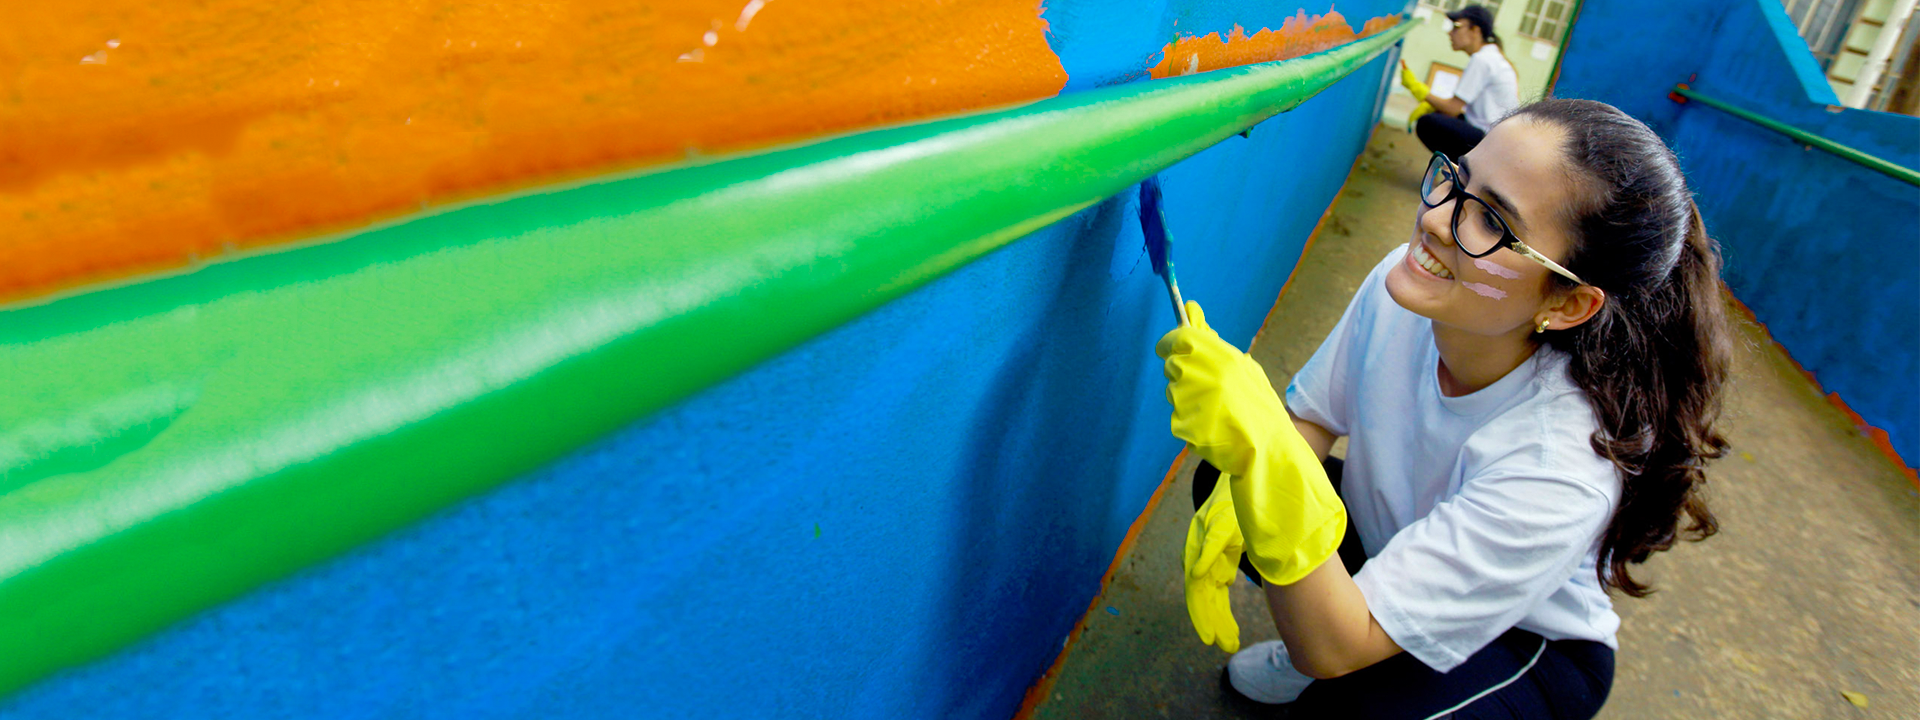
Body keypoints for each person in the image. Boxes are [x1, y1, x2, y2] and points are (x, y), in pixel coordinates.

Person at [1159, 98, 1732, 719]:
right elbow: (1316, 420)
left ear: (1567, 304)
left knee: (1346, 701)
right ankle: (1356, 642)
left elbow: (1333, 646)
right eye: (1455, 178)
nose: (1434, 219)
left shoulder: (1560, 465)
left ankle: (1359, 671)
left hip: (1525, 642)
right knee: (1229, 485)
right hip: (1399, 539)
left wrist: (1269, 466)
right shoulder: (1408, 288)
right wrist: (1262, 460)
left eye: (1490, 219)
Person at [1403, 5, 1519, 160]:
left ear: (1475, 31)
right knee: (1437, 114)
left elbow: (1452, 108)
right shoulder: (1491, 56)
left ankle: (1463, 174)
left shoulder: (1483, 60)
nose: (1450, 32)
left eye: (1457, 27)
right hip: (1497, 137)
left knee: (1427, 123)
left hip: (1491, 141)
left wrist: (1418, 89)